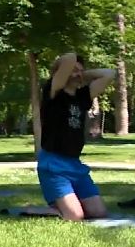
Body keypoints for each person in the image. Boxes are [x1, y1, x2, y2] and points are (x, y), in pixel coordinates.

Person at [37, 52, 116, 221]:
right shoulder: (53, 92)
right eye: (72, 70)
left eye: (80, 70)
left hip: (74, 163)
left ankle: (64, 205)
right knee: (75, 216)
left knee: (99, 213)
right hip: (53, 164)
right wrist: (65, 72)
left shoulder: (82, 97)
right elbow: (70, 57)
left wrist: (80, 76)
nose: (77, 73)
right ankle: (36, 210)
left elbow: (110, 74)